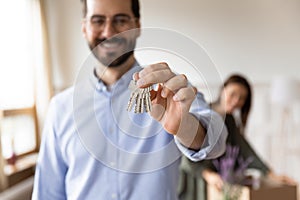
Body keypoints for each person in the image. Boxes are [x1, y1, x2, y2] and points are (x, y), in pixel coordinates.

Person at [32, 0, 228, 199]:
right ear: (84, 27)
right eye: (98, 20)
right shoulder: (60, 108)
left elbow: (218, 140)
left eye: (121, 20)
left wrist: (184, 127)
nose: (109, 32)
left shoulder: (169, 91)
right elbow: (47, 193)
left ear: (137, 26)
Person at [178, 74, 295, 200]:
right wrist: (209, 175)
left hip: (218, 185)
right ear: (223, 91)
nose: (236, 101)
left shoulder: (229, 121)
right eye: (233, 94)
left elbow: (245, 151)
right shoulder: (203, 114)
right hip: (196, 183)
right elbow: (187, 158)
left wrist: (271, 174)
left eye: (242, 98)